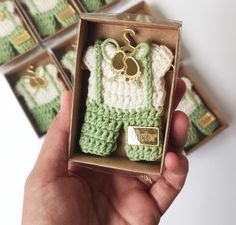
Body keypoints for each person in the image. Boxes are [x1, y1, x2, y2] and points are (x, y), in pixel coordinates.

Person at [22, 79, 189, 225]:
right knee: (99, 138)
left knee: (145, 147)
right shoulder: (98, 55)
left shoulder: (154, 57)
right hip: (104, 108)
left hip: (144, 109)